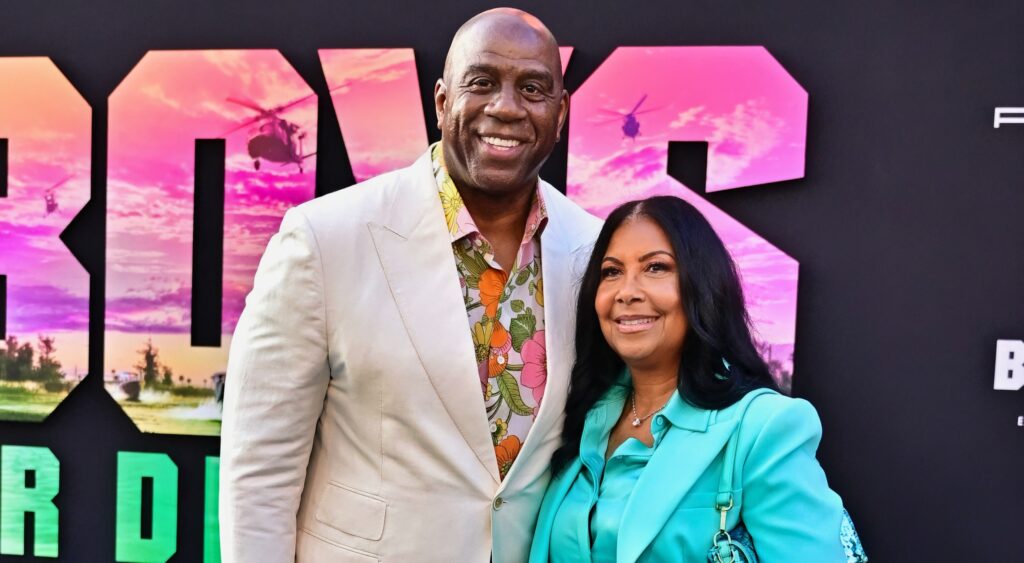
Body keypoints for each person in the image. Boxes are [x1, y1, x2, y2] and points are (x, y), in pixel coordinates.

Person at [218, 8, 601, 563]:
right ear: (443, 102)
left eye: (534, 89)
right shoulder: (325, 239)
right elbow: (258, 472)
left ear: (560, 114)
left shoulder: (594, 251)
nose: (506, 107)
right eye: (483, 82)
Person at [530, 197, 859, 562]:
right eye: (611, 272)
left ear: (702, 285)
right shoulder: (581, 415)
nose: (627, 291)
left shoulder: (765, 428)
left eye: (655, 267)